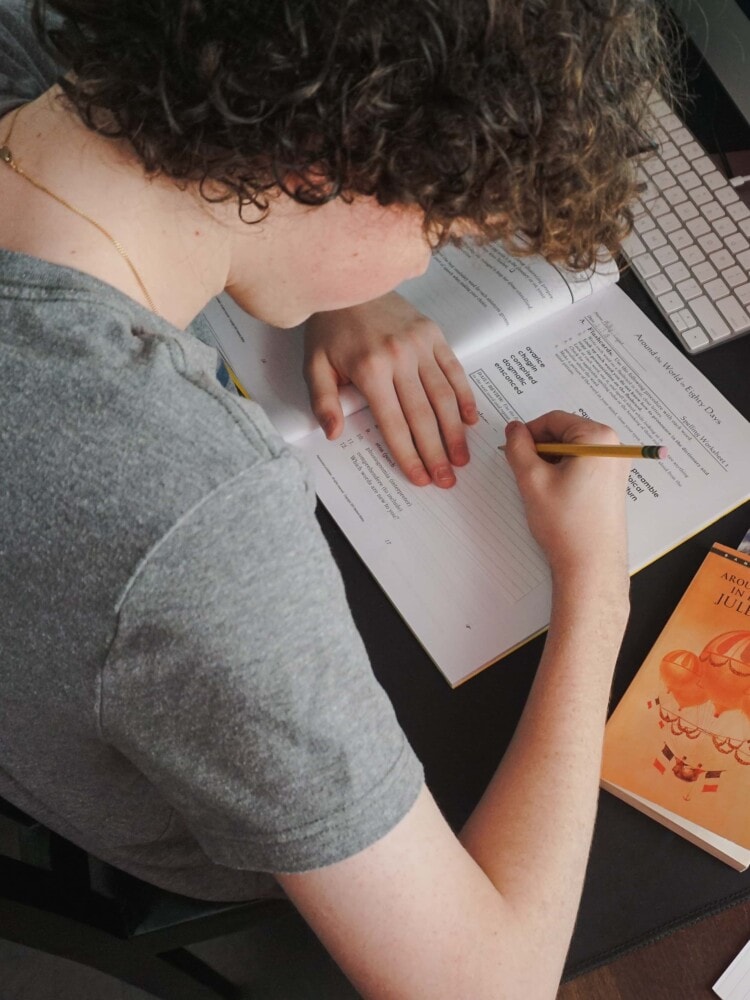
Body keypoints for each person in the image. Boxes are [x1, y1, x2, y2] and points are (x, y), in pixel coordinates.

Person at [0, 0, 671, 995]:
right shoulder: (190, 520)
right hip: (194, 826)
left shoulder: (38, 45)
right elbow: (488, 984)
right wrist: (595, 586)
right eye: (438, 230)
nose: (422, 262)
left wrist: (340, 280)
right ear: (321, 166)